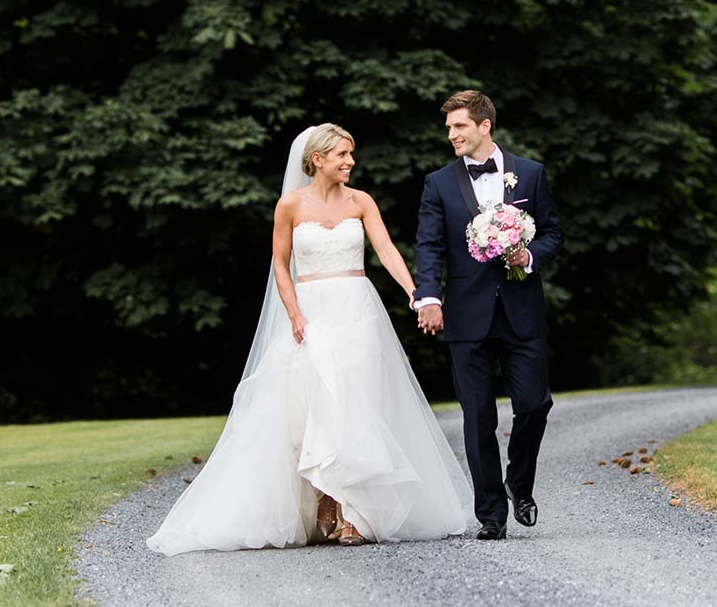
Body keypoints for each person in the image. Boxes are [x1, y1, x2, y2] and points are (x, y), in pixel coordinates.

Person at [147, 124, 475, 554]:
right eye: (342, 155)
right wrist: (295, 314)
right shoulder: (290, 205)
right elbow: (280, 265)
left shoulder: (361, 201)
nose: (350, 162)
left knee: (357, 401)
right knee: (314, 405)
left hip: (356, 309)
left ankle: (356, 513)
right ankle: (325, 499)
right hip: (312, 311)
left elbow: (386, 250)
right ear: (317, 160)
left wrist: (416, 294)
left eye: (351, 154)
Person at [414, 90, 563, 541]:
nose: (451, 135)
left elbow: (552, 233)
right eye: (448, 128)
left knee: (535, 404)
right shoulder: (438, 183)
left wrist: (529, 257)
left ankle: (519, 483)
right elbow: (429, 245)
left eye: (459, 126)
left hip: (522, 311)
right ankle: (491, 514)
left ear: (484, 125)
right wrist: (429, 297)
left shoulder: (530, 173)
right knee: (478, 417)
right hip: (467, 314)